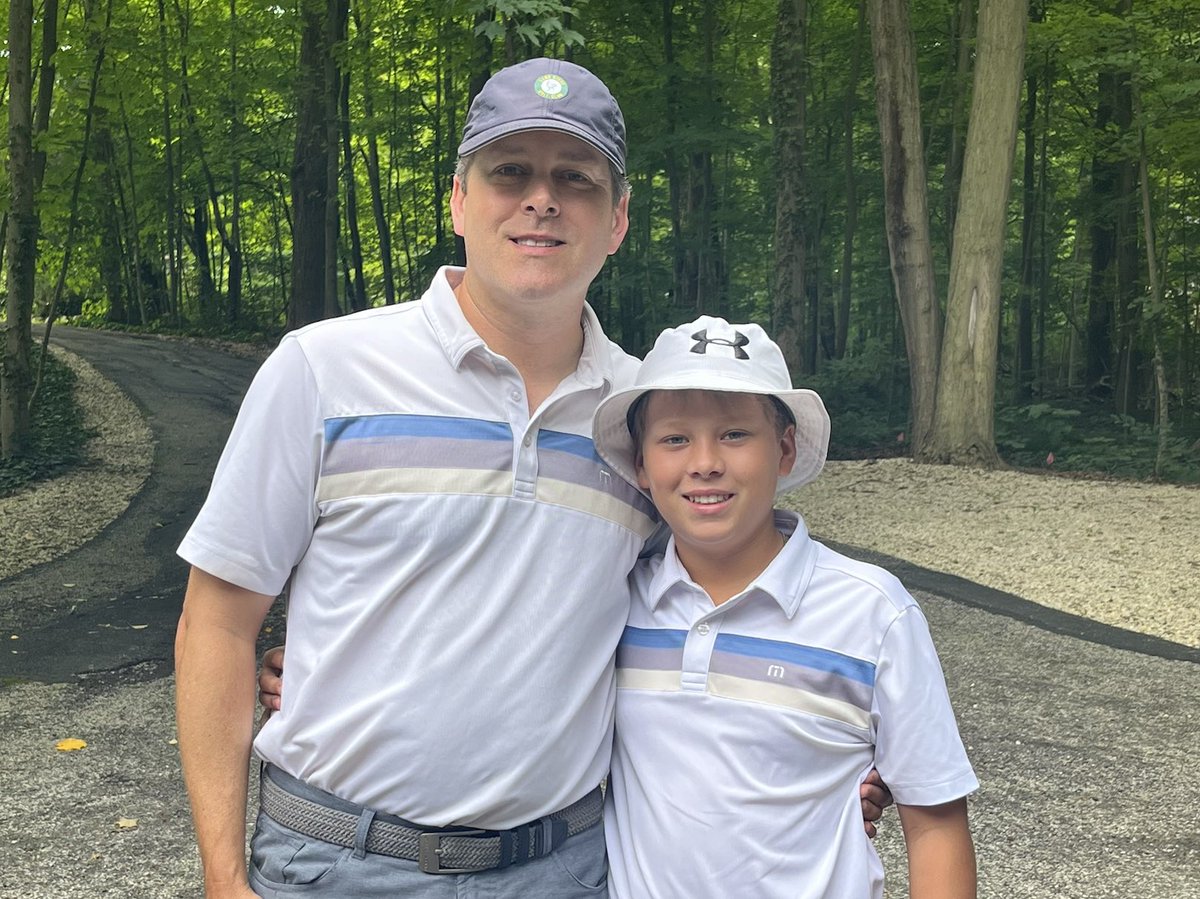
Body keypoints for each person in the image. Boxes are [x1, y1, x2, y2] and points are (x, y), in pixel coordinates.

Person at [176, 57, 888, 899]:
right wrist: (224, 876)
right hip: (333, 862)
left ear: (618, 218)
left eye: (575, 178)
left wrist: (824, 752)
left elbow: (706, 616)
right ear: (459, 200)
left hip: (562, 870)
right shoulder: (325, 369)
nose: (541, 198)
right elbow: (217, 623)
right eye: (510, 170)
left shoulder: (645, 420)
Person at [589, 315, 978, 898]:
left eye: (735, 434)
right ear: (641, 465)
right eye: (674, 438)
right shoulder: (617, 601)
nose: (704, 462)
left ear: (786, 449)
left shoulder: (872, 613)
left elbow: (935, 823)